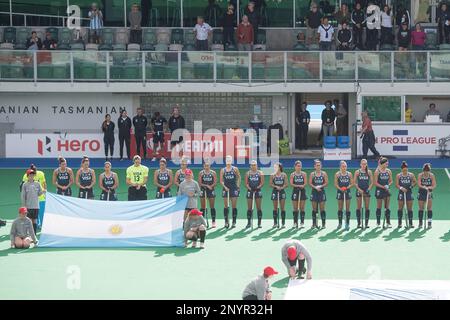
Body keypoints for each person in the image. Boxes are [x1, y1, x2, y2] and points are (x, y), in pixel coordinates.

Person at [21, 164, 46, 229]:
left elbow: (44, 183)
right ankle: (35, 226)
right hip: (31, 201)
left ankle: (42, 226)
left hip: (40, 198)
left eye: (34, 172)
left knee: (41, 213)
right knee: (32, 218)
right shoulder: (25, 177)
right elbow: (23, 189)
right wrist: (24, 202)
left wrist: (44, 192)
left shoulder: (41, 174)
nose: (33, 175)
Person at [220, 155, 241, 229]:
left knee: (234, 206)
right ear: (225, 161)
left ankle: (234, 222)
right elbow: (221, 181)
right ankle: (226, 222)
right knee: (226, 206)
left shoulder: (235, 169)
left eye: (229, 160)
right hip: (226, 189)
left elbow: (239, 177)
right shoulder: (223, 170)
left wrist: (238, 186)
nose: (228, 161)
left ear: (231, 161)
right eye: (227, 160)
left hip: (234, 188)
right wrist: (225, 187)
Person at [395, 161, 416, 228]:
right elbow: (397, 185)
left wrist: (411, 186)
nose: (405, 171)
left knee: (410, 208)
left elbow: (415, 182)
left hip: (409, 192)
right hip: (401, 193)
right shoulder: (399, 175)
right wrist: (401, 188)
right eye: (404, 170)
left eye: (406, 170)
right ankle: (400, 223)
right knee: (400, 208)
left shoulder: (411, 175)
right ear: (401, 169)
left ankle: (410, 223)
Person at [354, 159, 373, 229]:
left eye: (365, 164)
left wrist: (368, 189)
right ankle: (359, 223)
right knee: (358, 207)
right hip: (359, 190)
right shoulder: (357, 172)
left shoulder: (369, 172)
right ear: (360, 164)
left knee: (367, 207)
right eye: (362, 164)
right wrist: (359, 189)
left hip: (366, 191)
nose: (364, 165)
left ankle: (366, 223)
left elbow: (372, 182)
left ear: (367, 164)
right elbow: (354, 182)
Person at [374, 157, 393, 228]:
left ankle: (388, 222)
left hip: (387, 190)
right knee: (379, 206)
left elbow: (391, 181)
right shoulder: (377, 171)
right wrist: (383, 187)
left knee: (387, 207)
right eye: (386, 163)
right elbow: (375, 183)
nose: (387, 164)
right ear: (382, 164)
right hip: (379, 190)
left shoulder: (388, 171)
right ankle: (378, 222)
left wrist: (388, 185)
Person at [309, 159, 328, 229]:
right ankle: (314, 223)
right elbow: (310, 183)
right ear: (314, 166)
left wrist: (320, 186)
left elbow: (326, 183)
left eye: (319, 165)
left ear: (321, 166)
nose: (318, 166)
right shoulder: (312, 174)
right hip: (314, 192)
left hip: (321, 192)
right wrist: (315, 187)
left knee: (322, 209)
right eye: (317, 165)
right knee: (314, 209)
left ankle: (323, 224)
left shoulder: (324, 173)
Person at [245, 160, 264, 229]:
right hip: (250, 191)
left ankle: (259, 223)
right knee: (249, 208)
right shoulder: (248, 173)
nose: (253, 166)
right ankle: (249, 222)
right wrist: (250, 188)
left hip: (258, 191)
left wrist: (257, 188)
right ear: (250, 166)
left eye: (254, 165)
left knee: (258, 207)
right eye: (252, 165)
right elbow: (246, 183)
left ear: (257, 165)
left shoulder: (260, 173)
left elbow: (262, 183)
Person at [417, 163, 437, 229]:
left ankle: (429, 223)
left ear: (429, 171)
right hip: (421, 192)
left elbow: (434, 185)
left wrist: (430, 188)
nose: (426, 172)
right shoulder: (420, 175)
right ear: (423, 170)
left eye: (427, 171)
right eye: (425, 171)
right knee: (421, 208)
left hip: (429, 193)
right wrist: (424, 187)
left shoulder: (431, 175)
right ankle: (420, 223)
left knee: (429, 208)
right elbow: (419, 184)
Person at [198, 159, 217, 227]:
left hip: (211, 190)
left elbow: (215, 182)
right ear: (203, 166)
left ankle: (213, 221)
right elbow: (199, 183)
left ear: (210, 166)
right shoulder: (201, 173)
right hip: (203, 190)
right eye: (205, 166)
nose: (206, 167)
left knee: (212, 206)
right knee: (203, 207)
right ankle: (202, 221)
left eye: (208, 166)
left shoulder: (213, 173)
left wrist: (210, 186)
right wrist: (206, 186)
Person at [269, 162, 288, 229]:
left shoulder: (284, 175)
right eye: (274, 167)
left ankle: (283, 223)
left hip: (282, 192)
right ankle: (275, 223)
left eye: (276, 167)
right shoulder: (272, 175)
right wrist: (276, 186)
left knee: (282, 208)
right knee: (275, 208)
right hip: (275, 192)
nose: (275, 168)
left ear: (280, 167)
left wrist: (281, 187)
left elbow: (286, 184)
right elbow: (270, 184)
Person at [290, 160, 308, 229]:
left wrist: (302, 186)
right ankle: (295, 222)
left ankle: (302, 222)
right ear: (295, 167)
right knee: (295, 208)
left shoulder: (304, 174)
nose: (299, 167)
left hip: (302, 191)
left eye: (300, 166)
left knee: (302, 208)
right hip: (295, 191)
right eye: (298, 166)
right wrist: (297, 186)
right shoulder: (292, 174)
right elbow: (291, 183)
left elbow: (305, 183)